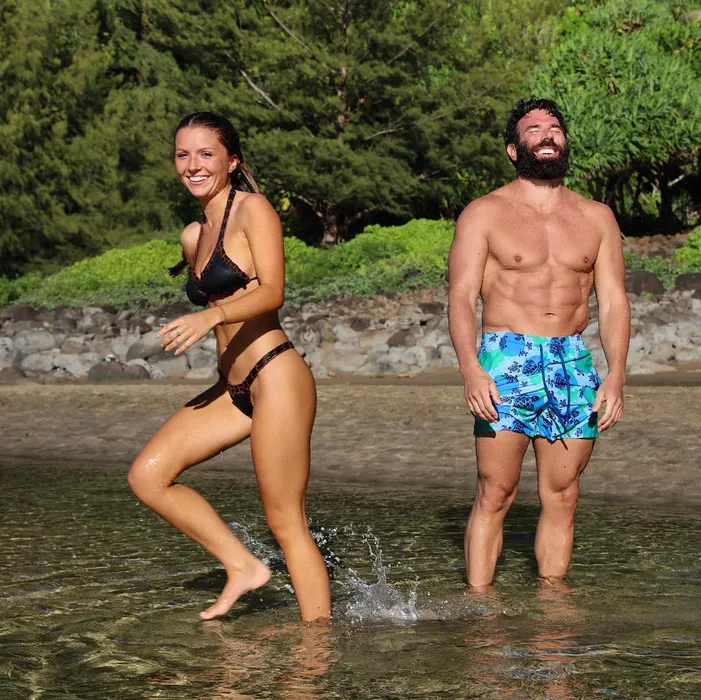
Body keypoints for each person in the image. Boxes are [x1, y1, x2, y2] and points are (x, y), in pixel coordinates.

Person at [127, 112, 331, 622]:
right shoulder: (193, 235)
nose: (192, 165)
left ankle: (318, 650)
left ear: (232, 160)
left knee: (285, 522)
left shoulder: (252, 209)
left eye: (205, 154)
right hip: (233, 387)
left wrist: (211, 316)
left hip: (275, 375)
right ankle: (243, 567)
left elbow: (273, 291)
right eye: (183, 155)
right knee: (148, 476)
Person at [448, 98, 630, 588]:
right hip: (506, 359)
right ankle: (481, 608)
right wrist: (471, 369)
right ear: (514, 149)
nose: (547, 134)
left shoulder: (597, 217)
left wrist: (615, 375)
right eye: (533, 129)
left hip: (572, 360)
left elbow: (614, 302)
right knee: (496, 492)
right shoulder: (484, 213)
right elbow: (461, 297)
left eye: (554, 127)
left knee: (564, 495)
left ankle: (553, 610)